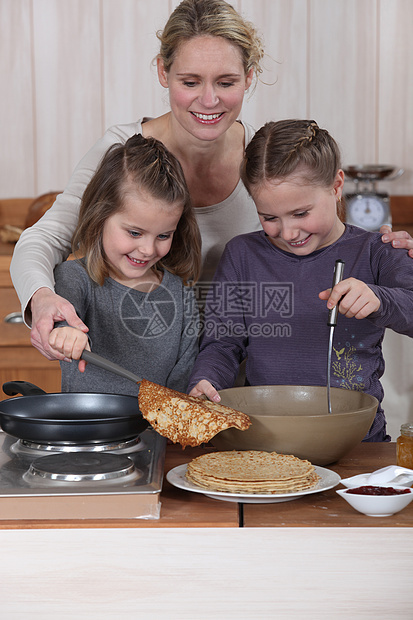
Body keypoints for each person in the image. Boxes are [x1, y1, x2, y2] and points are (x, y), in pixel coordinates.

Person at [10, 0, 413, 365]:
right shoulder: (122, 155)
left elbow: (321, 239)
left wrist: (388, 254)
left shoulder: (264, 164)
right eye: (190, 82)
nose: (209, 100)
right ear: (163, 71)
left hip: (239, 381)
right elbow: (42, 240)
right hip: (138, 370)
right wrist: (42, 299)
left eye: (226, 82)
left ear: (249, 77)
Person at [187, 119, 413, 441]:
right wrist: (206, 379)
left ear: (336, 187)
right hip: (264, 439)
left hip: (358, 443)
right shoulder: (241, 255)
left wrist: (380, 299)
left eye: (301, 213)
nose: (289, 232)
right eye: (269, 218)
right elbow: (223, 343)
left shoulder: (377, 251)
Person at [48, 134, 201, 396]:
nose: (148, 249)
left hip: (155, 433)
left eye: (163, 235)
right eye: (134, 233)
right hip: (88, 433)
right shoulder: (75, 278)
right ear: (100, 218)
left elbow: (183, 378)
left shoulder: (181, 293)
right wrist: (66, 333)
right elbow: (62, 319)